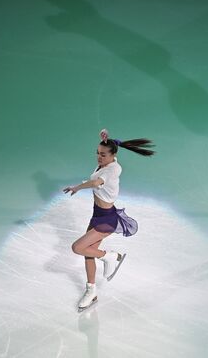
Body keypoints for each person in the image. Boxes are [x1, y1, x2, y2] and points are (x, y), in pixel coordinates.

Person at [63, 129, 155, 312]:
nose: (99, 157)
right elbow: (104, 162)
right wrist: (105, 140)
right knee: (88, 253)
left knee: (77, 247)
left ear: (113, 156)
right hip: (97, 214)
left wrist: (77, 187)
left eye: (103, 154)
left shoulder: (113, 169)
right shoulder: (106, 163)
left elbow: (97, 183)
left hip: (107, 219)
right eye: (97, 153)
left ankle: (111, 257)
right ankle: (91, 291)